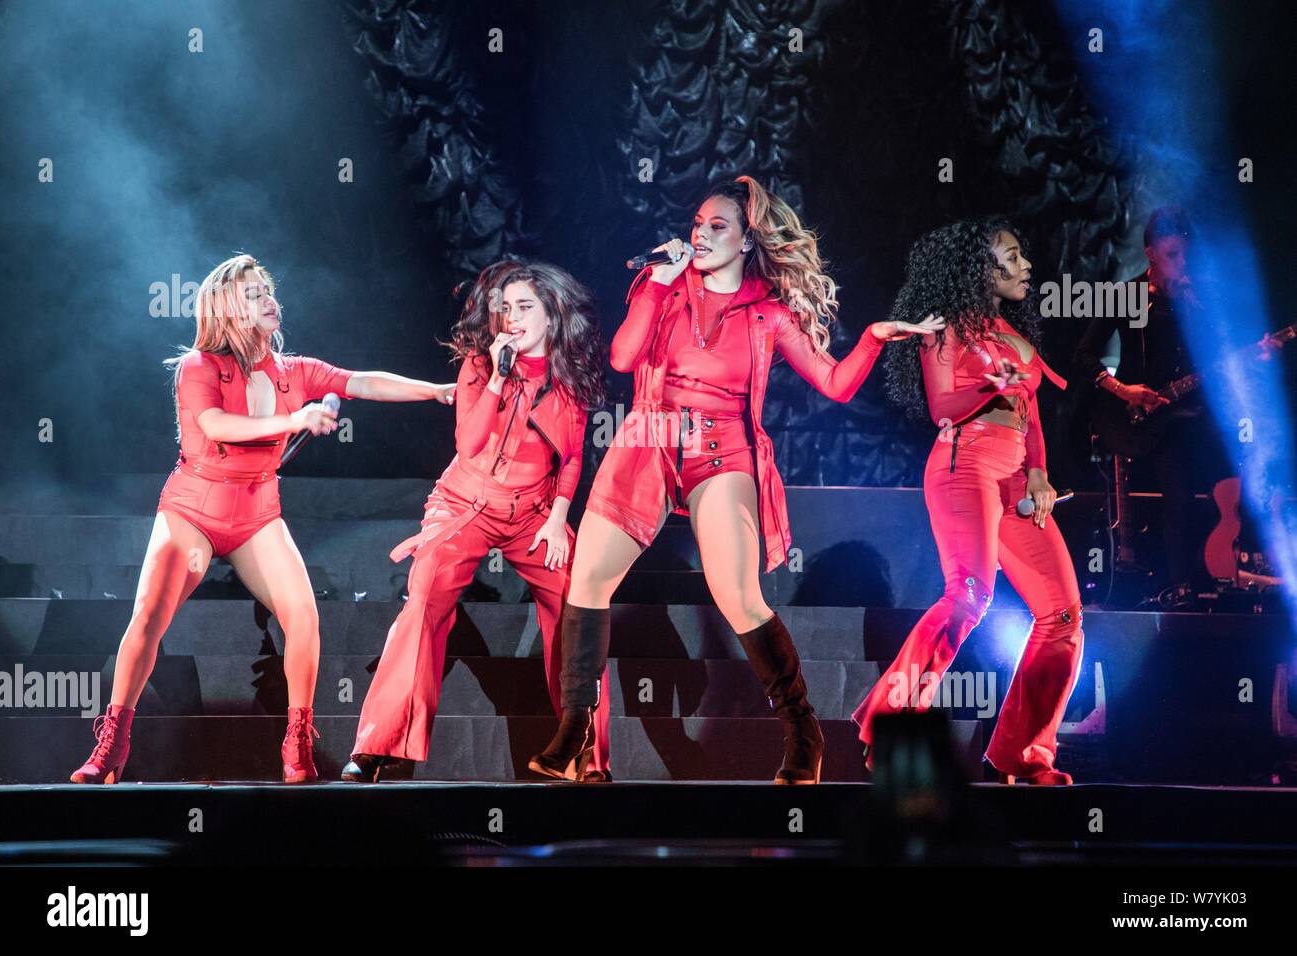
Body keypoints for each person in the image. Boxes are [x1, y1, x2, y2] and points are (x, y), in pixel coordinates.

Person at [529, 176, 941, 784]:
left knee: (736, 592)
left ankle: (803, 734)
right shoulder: (662, 287)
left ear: (748, 241)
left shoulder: (769, 313)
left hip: (722, 448)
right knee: (586, 578)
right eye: (697, 223)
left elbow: (835, 384)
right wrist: (658, 285)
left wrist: (875, 339)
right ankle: (575, 731)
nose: (700, 234)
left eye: (717, 226)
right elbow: (622, 357)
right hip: (648, 437)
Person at [70, 253, 456, 785]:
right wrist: (295, 418)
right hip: (195, 509)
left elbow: (359, 382)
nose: (268, 301)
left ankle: (297, 741)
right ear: (226, 309)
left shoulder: (292, 371)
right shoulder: (198, 367)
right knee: (149, 617)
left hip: (257, 511)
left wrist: (431, 390)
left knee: (303, 614)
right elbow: (216, 424)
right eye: (252, 294)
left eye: (267, 291)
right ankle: (113, 740)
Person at [342, 261, 612, 782]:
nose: (511, 317)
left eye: (525, 307)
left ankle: (586, 756)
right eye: (505, 307)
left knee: (578, 605)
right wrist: (498, 375)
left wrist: (558, 521)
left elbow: (574, 457)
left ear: (552, 317)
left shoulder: (570, 375)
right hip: (464, 503)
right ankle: (378, 746)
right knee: (425, 598)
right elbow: (467, 443)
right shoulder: (478, 364)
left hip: (534, 512)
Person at [853, 218, 1083, 785]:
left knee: (1063, 615)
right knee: (971, 596)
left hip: (1014, 477)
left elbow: (1030, 414)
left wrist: (1038, 474)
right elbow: (942, 407)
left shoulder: (1012, 333)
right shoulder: (945, 328)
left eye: (1024, 254)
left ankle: (1026, 755)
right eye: (1012, 255)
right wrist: (992, 384)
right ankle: (893, 722)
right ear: (981, 269)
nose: (1027, 264)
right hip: (964, 463)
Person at [1075, 205, 1230, 601]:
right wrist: (1124, 390)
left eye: (1186, 254)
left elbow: (1217, 359)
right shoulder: (1127, 295)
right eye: (1173, 255)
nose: (1182, 263)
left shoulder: (1199, 302)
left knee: (1218, 486)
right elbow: (1084, 355)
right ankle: (1181, 587)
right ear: (1151, 254)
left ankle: (1217, 573)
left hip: (1189, 411)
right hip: (1139, 413)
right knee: (1178, 490)